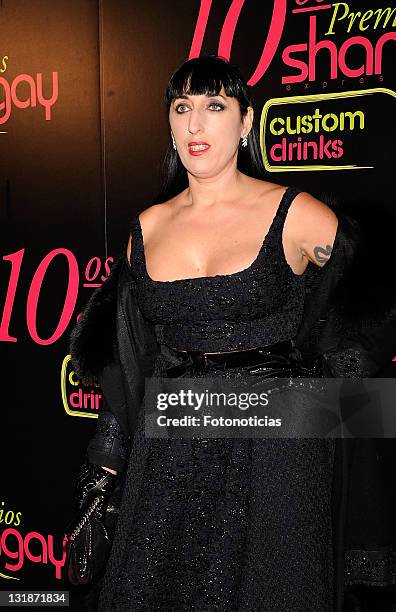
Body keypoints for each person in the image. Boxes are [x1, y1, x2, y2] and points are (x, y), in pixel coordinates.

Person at [69, 56, 396, 611]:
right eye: (182, 108)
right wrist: (103, 471)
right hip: (174, 444)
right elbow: (126, 362)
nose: (195, 125)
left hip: (279, 454)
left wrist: (326, 403)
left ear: (246, 123)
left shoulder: (294, 215)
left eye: (215, 106)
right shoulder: (145, 231)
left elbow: (372, 305)